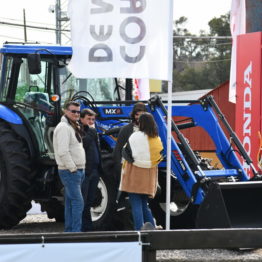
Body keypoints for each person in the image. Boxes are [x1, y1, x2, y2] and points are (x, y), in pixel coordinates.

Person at [120, 112, 164, 230]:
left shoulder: (134, 136)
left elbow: (125, 152)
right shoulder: (157, 138)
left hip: (134, 173)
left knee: (136, 204)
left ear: (141, 123)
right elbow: (159, 156)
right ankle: (152, 227)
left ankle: (139, 229)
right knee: (145, 204)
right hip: (149, 175)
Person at [53, 101, 85, 232]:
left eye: (78, 112)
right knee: (78, 202)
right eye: (73, 111)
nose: (76, 114)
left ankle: (69, 232)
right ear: (65, 111)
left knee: (71, 203)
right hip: (70, 171)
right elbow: (63, 151)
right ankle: (76, 233)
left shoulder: (72, 125)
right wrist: (73, 168)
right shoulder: (63, 128)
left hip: (77, 170)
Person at [80, 108, 102, 232]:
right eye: (88, 119)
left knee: (90, 201)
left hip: (95, 170)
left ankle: (88, 227)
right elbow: (83, 144)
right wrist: (92, 132)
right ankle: (85, 227)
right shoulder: (80, 131)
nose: (91, 121)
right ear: (82, 119)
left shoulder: (92, 131)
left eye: (93, 119)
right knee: (83, 201)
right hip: (86, 171)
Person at [113, 102, 147, 181]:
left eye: (141, 114)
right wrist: (119, 169)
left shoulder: (149, 130)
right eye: (137, 114)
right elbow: (118, 150)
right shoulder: (126, 129)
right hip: (129, 167)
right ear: (133, 115)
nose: (139, 117)